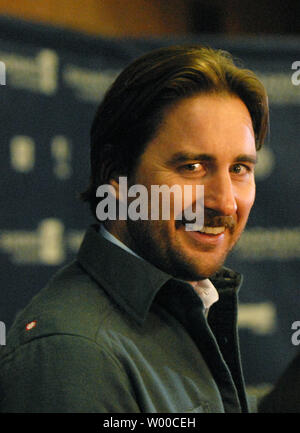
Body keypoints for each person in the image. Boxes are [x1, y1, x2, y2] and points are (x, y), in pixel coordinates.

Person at [0, 45, 269, 413]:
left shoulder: (190, 307)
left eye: (239, 169)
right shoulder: (73, 351)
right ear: (116, 176)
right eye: (192, 167)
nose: (224, 202)